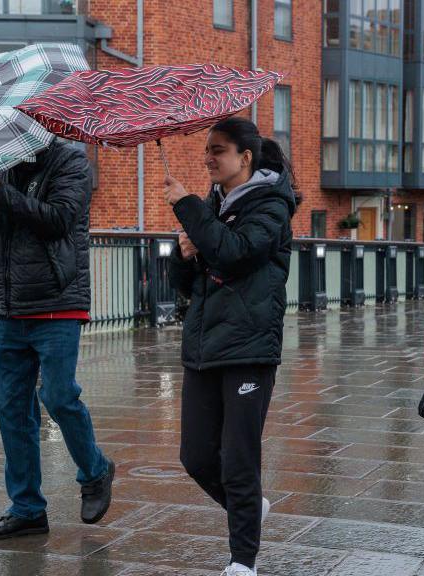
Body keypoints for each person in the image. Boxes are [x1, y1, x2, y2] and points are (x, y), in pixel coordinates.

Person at [163, 117, 296, 576]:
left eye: (218, 150)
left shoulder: (272, 205)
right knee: (196, 457)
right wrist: (182, 256)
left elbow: (237, 253)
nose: (208, 158)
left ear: (245, 157)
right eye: (207, 150)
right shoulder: (211, 206)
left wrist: (188, 210)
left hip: (249, 347)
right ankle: (250, 509)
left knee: (239, 457)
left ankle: (243, 561)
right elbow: (186, 284)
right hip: (204, 347)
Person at [0, 138, 114, 540]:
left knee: (58, 395)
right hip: (11, 307)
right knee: (12, 409)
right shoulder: (2, 164)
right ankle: (27, 509)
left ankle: (96, 471)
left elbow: (59, 220)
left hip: (58, 302)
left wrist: (0, 194)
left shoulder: (72, 162)